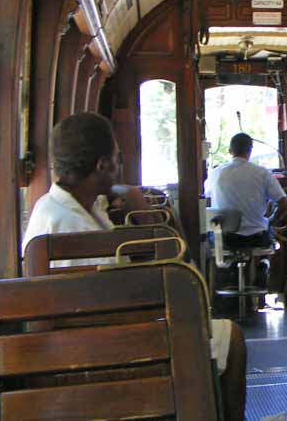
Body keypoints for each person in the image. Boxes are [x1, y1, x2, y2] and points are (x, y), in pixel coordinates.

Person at [23, 113, 246, 421]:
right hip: (104, 350)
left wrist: (127, 194)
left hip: (78, 343)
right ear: (102, 165)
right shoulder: (76, 229)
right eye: (117, 157)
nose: (120, 164)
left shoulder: (58, 206)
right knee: (231, 338)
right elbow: (122, 304)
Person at [204, 133, 287, 244]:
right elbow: (284, 204)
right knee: (271, 236)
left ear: (230, 151)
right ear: (250, 151)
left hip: (225, 239)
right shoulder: (262, 173)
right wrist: (270, 221)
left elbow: (207, 198)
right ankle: (264, 261)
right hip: (256, 237)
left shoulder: (215, 173)